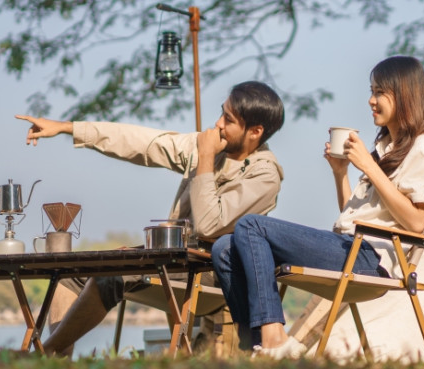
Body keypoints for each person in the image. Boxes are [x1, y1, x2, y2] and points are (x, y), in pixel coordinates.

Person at [17, 81, 286, 355]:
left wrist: (205, 156)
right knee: (71, 274)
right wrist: (68, 127)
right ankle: (59, 360)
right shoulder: (212, 147)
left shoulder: (264, 176)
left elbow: (209, 225)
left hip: (212, 275)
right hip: (171, 261)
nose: (217, 124)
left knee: (111, 276)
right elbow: (144, 142)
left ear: (255, 131)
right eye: (222, 113)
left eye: (228, 119)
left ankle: (43, 353)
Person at [211, 56, 424, 359]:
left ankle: (273, 340)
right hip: (350, 245)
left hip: (372, 259)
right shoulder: (388, 147)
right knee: (224, 248)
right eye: (371, 91)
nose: (371, 100)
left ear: (405, 95)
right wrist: (341, 172)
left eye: (379, 92)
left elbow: (417, 223)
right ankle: (253, 346)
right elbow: (354, 217)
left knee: (250, 225)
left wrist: (369, 167)